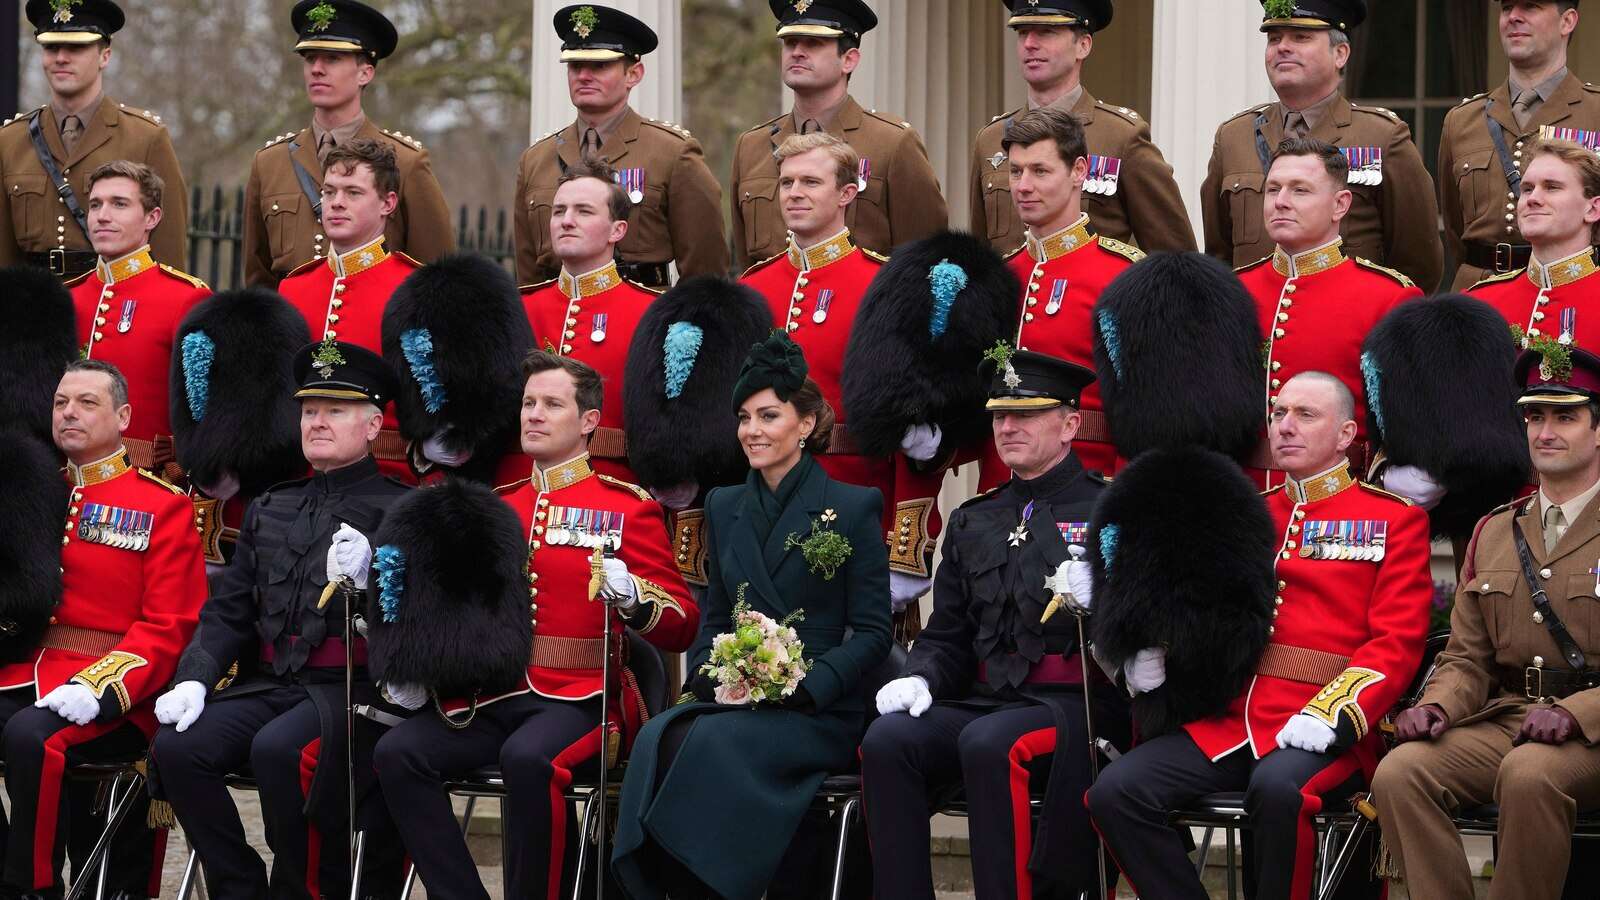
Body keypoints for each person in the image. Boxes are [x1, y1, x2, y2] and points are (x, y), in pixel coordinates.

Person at [1086, 371, 1432, 900]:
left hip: (1322, 723)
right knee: (1115, 793)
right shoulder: (1243, 510)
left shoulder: (1392, 520)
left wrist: (1335, 711)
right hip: (1230, 717)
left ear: (1345, 435)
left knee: (1278, 791)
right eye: (1278, 414)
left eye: (1304, 415)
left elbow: (1396, 642)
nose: (1284, 427)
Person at [374, 351, 697, 900]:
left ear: (589, 421)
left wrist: (635, 598)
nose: (534, 415)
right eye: (528, 403)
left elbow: (683, 623)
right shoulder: (496, 506)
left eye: (552, 404)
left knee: (527, 761)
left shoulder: (626, 508)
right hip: (491, 695)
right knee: (398, 753)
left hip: (582, 699)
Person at [611, 331, 892, 900]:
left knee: (710, 747)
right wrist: (714, 680)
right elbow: (716, 617)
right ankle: (666, 884)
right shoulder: (723, 503)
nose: (751, 431)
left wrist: (808, 684)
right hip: (740, 694)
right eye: (743, 418)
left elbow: (872, 631)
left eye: (768, 415)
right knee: (660, 735)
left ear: (806, 425)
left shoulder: (855, 504)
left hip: (817, 707)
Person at [149, 341, 410, 900]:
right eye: (309, 410)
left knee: (278, 750)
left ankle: (305, 890)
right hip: (270, 684)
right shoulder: (272, 505)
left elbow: (418, 620)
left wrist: (371, 582)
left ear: (372, 426)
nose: (317, 422)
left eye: (335, 411)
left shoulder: (405, 510)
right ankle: (240, 885)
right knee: (176, 747)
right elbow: (229, 609)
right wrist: (195, 676)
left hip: (353, 693)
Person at [863, 350, 1125, 900]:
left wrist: (1106, 604)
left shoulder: (1113, 511)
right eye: (1000, 415)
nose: (1007, 427)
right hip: (985, 697)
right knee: (889, 740)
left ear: (1070, 424)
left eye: (1026, 414)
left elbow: (1145, 634)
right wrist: (924, 677)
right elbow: (948, 634)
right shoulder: (974, 516)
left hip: (1074, 703)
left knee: (989, 744)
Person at [1370, 344, 1600, 900]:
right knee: (1401, 774)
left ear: (1599, 431)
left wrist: (1575, 713)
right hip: (1512, 718)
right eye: (1535, 416)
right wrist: (1437, 705)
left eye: (1565, 416)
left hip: (1591, 726)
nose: (1545, 431)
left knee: (1528, 775)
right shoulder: (1495, 530)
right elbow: (1468, 656)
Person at [0, 359, 206, 896]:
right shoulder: (34, 491)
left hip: (119, 693)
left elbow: (170, 626)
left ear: (123, 417)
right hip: (30, 670)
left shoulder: (162, 506)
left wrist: (101, 686)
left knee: (30, 737)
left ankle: (32, 887)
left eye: (87, 403)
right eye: (61, 403)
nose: (69, 412)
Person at [739, 131, 947, 616]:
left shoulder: (886, 285)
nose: (794, 192)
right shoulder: (753, 287)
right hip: (762, 516)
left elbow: (917, 438)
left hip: (856, 510)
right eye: (787, 182)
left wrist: (908, 550)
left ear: (847, 194)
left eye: (811, 181)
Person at [1201, 0, 1442, 291]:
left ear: (1340, 54)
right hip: (1255, 323)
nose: (1282, 47)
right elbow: (1219, 254)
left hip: (1349, 324)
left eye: (1301, 37)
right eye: (1274, 38)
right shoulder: (1233, 137)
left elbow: (1418, 260)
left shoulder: (1381, 136)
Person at [1234, 138, 1421, 491]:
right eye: (1272, 189)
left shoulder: (1389, 297)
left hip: (1340, 504)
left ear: (1340, 204)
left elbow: (1409, 432)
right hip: (1241, 499)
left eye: (1300, 190)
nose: (1281, 202)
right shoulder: (1232, 290)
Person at [513, 4, 726, 290]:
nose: (584, 76)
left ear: (634, 74)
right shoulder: (536, 159)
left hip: (642, 320)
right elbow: (528, 275)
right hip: (558, 324)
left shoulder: (672, 153)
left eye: (600, 65)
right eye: (575, 66)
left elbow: (705, 268)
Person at [244, 0, 452, 286]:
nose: (316, 69)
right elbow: (258, 280)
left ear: (365, 73)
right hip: (291, 326)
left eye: (332, 59)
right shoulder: (270, 163)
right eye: (309, 58)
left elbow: (437, 277)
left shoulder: (405, 162)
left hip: (372, 324)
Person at [987, 106, 1143, 486]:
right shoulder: (1000, 274)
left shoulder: (1123, 275)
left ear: (1078, 172)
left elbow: (1143, 412)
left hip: (1088, 489)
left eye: (1040, 171)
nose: (1023, 186)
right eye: (1015, 171)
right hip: (1000, 492)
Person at [729, 0, 947, 270]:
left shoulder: (891, 143)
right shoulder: (751, 146)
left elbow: (925, 258)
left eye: (813, 43)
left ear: (849, 59)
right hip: (772, 308)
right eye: (790, 42)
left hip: (861, 308)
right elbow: (743, 264)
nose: (797, 52)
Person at [969, 0, 1193, 255]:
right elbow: (979, 258)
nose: (1030, 44)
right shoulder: (992, 139)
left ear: (1083, 46)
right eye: (1022, 33)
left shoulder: (1121, 136)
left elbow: (1175, 259)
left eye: (1046, 32)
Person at [0, 0, 187, 279]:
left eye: (76, 48)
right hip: (33, 310)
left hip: (112, 307)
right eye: (51, 47)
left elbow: (168, 258)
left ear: (105, 56)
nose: (61, 58)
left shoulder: (146, 137)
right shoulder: (11, 140)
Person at [277, 138, 420, 482]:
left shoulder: (414, 288)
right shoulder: (293, 287)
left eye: (353, 193)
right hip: (301, 478)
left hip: (387, 477)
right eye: (329, 192)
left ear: (388, 203)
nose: (336, 203)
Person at [1440, 0, 1600, 290]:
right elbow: (1453, 228)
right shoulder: (1462, 120)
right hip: (1477, 293)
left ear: (1567, 22)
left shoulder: (1596, 111)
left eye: (1530, 6)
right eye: (1507, 8)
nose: (1513, 17)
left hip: (1570, 292)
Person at [520, 159, 660, 484]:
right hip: (523, 485)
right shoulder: (520, 307)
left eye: (583, 211)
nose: (566, 221)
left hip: (611, 482)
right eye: (558, 211)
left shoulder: (650, 313)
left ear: (618, 230)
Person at [67, 160, 210, 479]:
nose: (103, 215)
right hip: (64, 484)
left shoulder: (185, 298)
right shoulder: (68, 297)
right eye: (95, 205)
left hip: (145, 483)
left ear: (152, 217)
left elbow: (203, 412)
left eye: (119, 204)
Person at [1470, 139, 1600, 346]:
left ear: (1593, 209)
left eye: (1552, 187)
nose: (1533, 198)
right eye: (1528, 189)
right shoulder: (1478, 304)